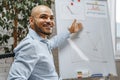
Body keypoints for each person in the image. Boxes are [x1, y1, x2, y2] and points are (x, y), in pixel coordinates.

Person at [7, 5, 82, 80]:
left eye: (51, 18)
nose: (49, 21)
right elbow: (15, 78)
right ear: (31, 21)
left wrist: (69, 31)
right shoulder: (31, 45)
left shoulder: (42, 42)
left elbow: (54, 42)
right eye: (43, 17)